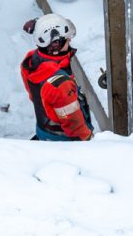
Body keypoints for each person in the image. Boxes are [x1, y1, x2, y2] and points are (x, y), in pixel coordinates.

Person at [20, 13, 93, 141]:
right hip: (63, 144)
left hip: (43, 133)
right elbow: (75, 127)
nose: (70, 40)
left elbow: (35, 97)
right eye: (67, 39)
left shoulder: (31, 62)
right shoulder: (60, 83)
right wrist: (89, 140)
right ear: (55, 45)